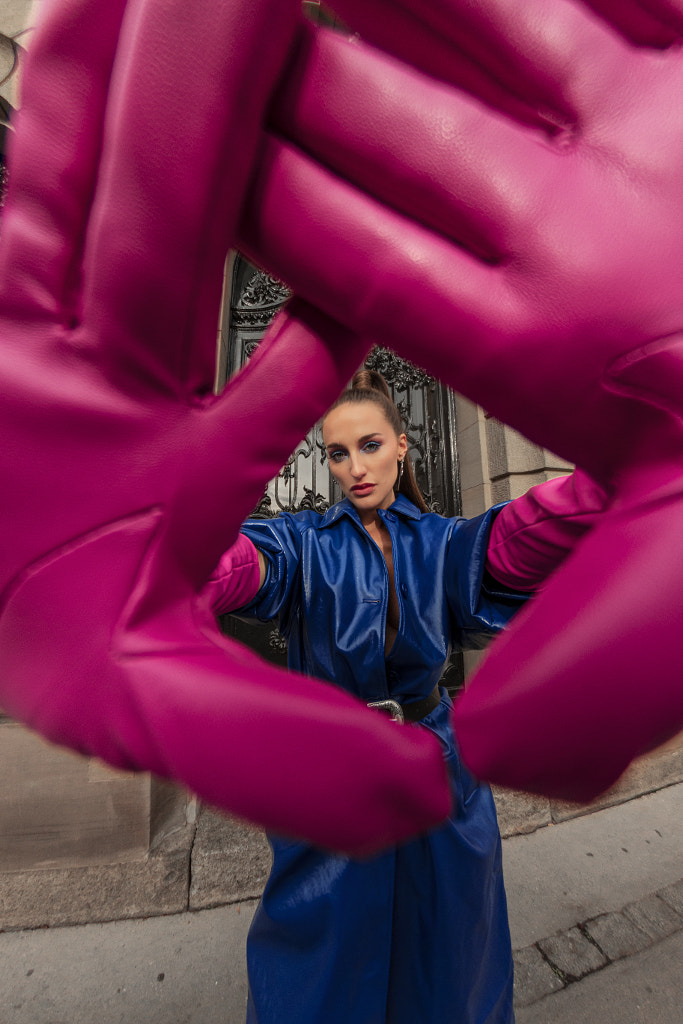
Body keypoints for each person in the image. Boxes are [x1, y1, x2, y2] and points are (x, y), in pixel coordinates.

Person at [207, 367, 602, 1024]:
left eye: (369, 445)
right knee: (320, 974)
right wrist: (181, 563)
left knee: (448, 963)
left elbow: (507, 546)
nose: (355, 467)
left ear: (400, 445)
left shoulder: (442, 542)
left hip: (438, 775)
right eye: (338, 452)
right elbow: (247, 564)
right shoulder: (302, 542)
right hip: (331, 776)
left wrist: (601, 488)